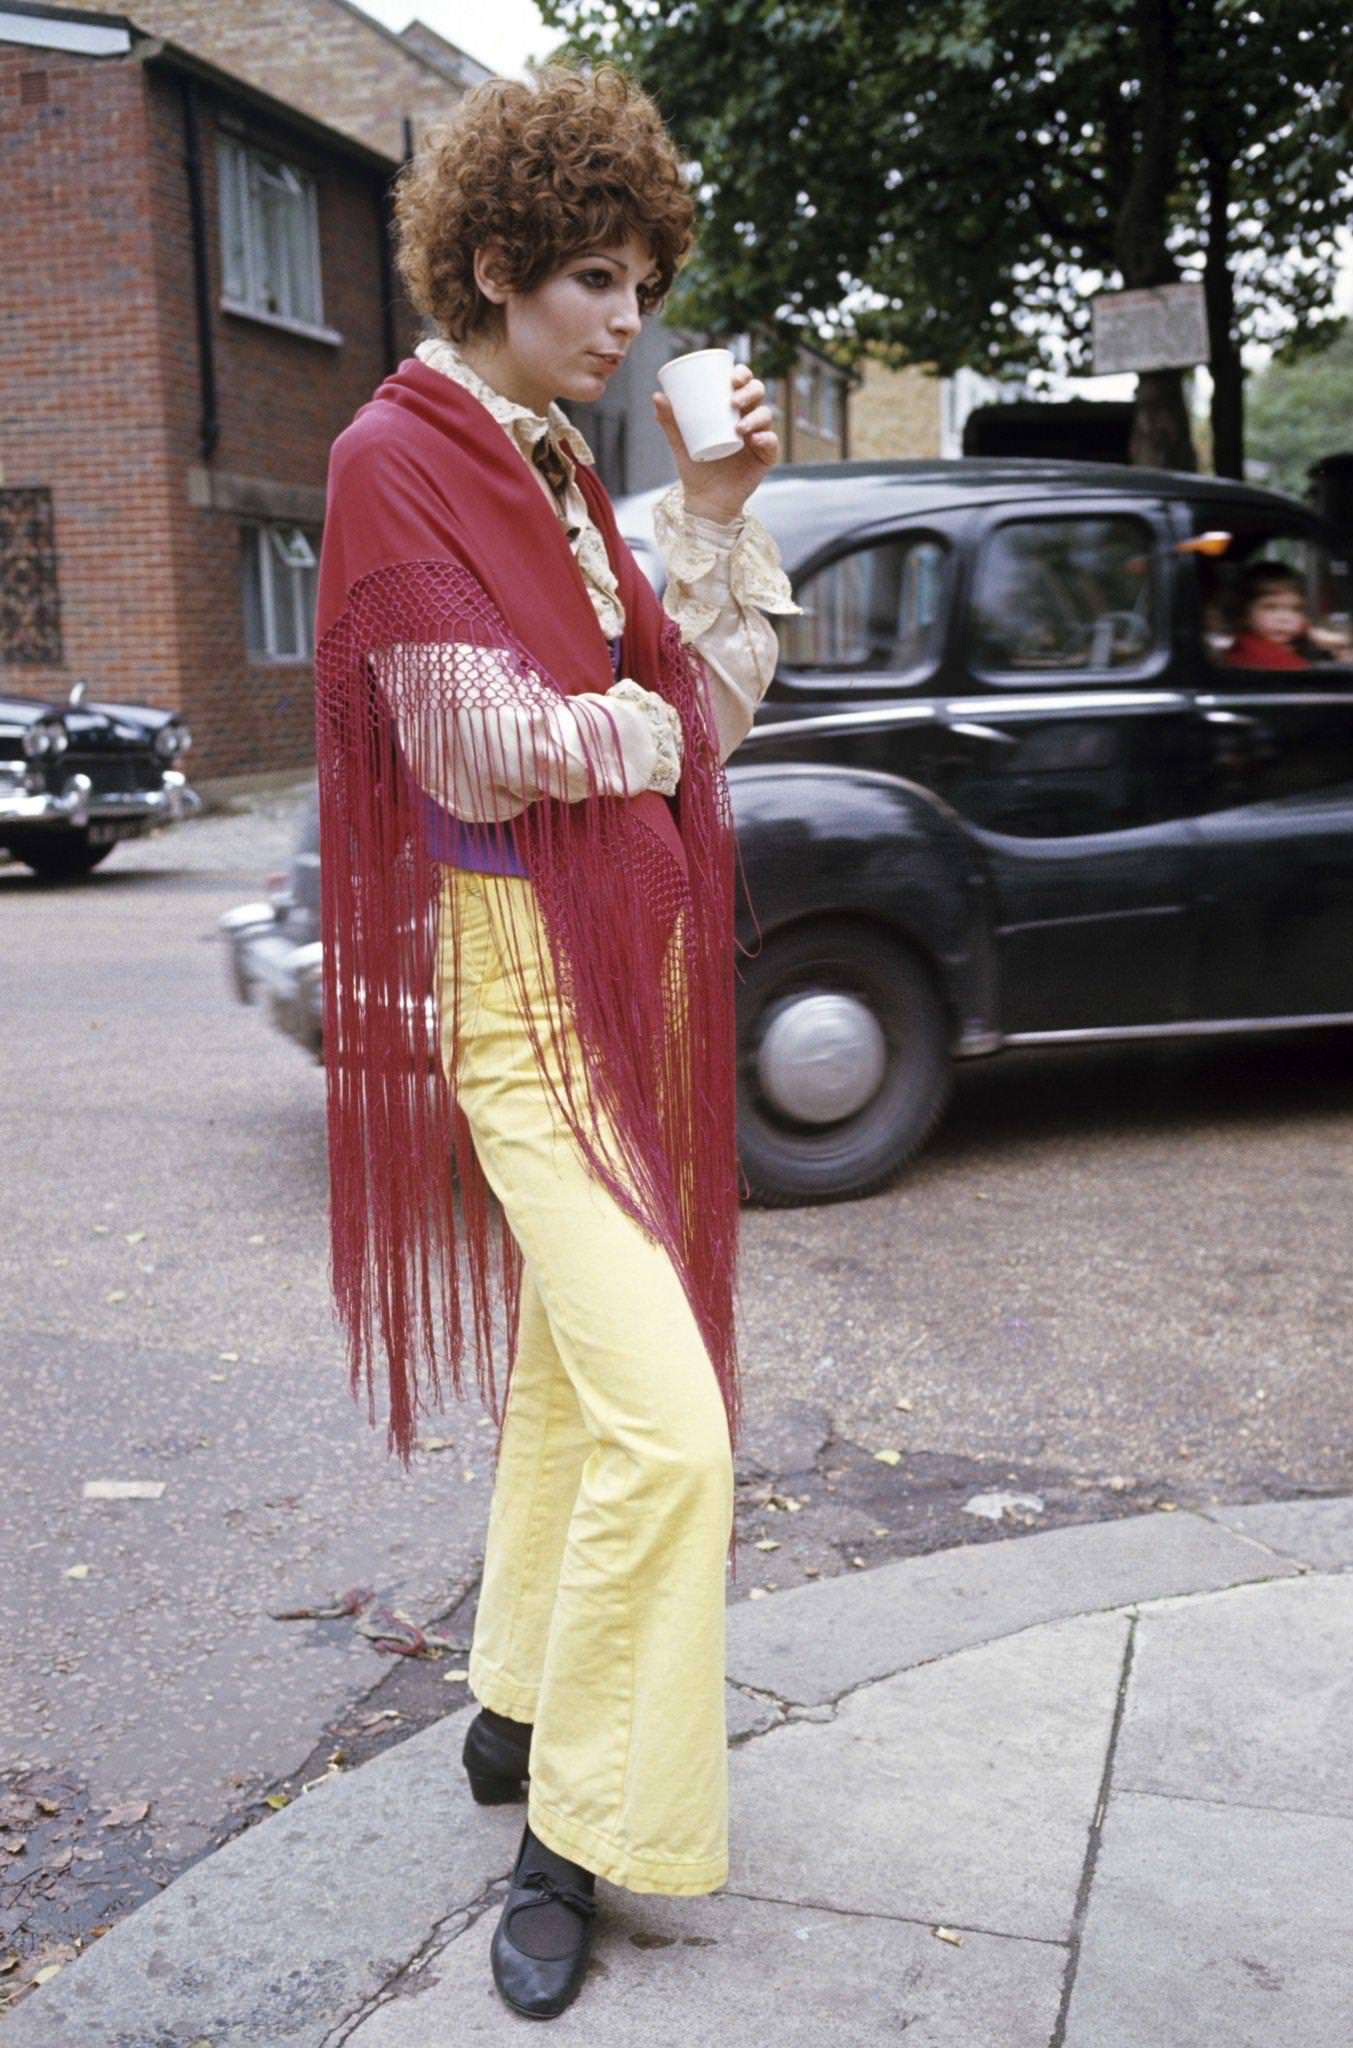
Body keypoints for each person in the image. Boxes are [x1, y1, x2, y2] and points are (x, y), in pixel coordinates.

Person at [312, 64, 797, 2023]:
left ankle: (519, 1707)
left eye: (644, 279)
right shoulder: (392, 453)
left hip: (639, 968)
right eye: (599, 277)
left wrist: (707, 520)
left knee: (580, 1395)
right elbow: (475, 744)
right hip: (522, 995)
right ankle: (571, 1834)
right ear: (499, 264)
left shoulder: (567, 469)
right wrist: (642, 730)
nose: (631, 317)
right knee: (671, 1435)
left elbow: (708, 711)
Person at [1225, 561, 1312, 670]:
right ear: (1244, 614)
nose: (1284, 618)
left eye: (1296, 609)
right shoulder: (1252, 652)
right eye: (1271, 608)